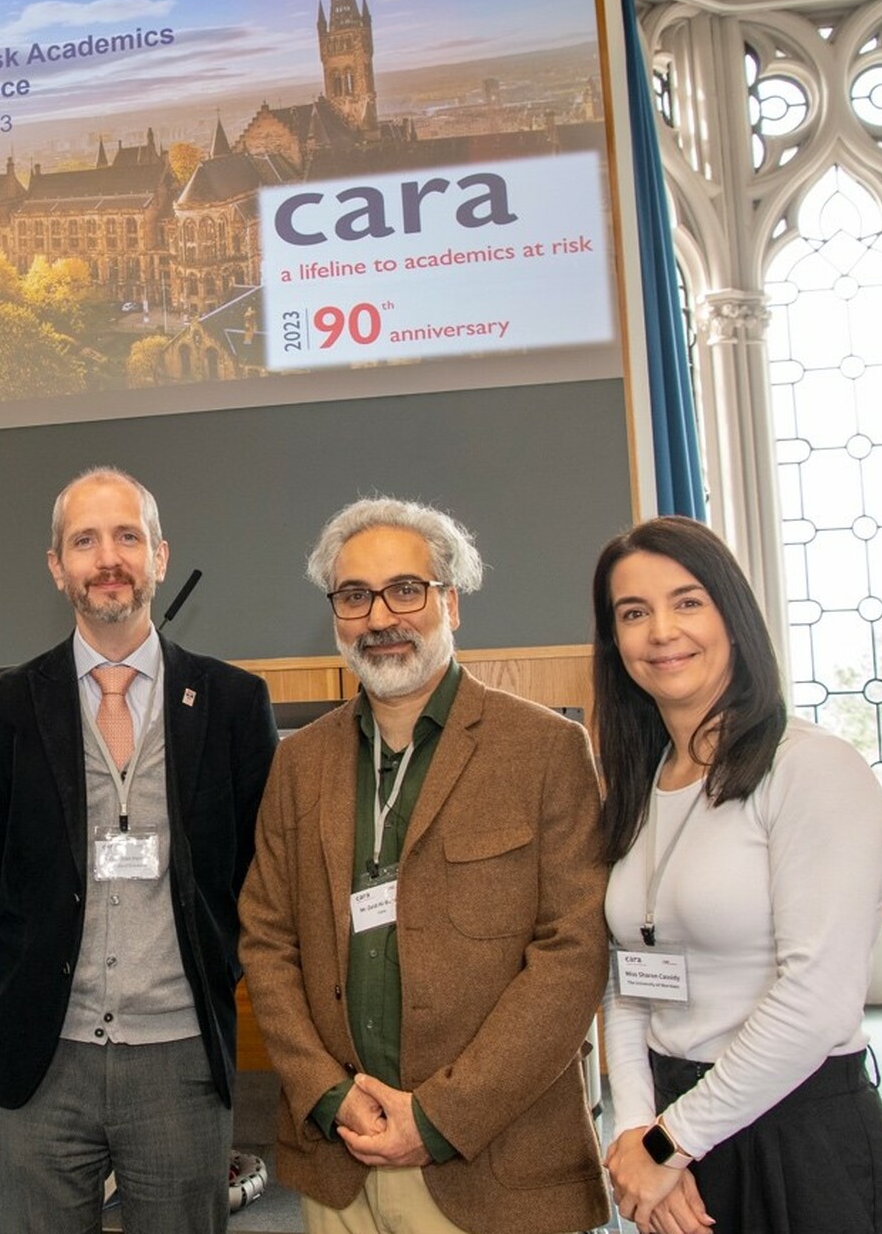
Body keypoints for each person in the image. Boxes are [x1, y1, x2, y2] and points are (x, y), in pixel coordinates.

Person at [239, 497, 610, 1234]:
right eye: (354, 596)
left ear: (451, 602)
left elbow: (574, 954)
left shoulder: (545, 753)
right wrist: (326, 1092)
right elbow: (265, 940)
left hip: (492, 1165)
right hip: (340, 1161)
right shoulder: (299, 765)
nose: (380, 617)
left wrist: (439, 1116)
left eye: (405, 589)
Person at [0, 466, 278, 1232]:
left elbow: (256, 872)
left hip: (180, 1062)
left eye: (128, 537)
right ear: (56, 565)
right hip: (40, 1062)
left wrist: (213, 961)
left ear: (160, 557)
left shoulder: (232, 704)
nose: (109, 558)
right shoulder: (3, 710)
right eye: (85, 540)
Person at [593, 515, 882, 1234]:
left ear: (732, 616)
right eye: (633, 613)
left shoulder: (812, 769)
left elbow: (816, 1000)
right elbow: (626, 978)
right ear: (616, 643)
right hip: (679, 1140)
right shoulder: (637, 791)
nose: (662, 631)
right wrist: (639, 1132)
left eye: (688, 601)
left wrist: (671, 1142)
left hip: (798, 1137)